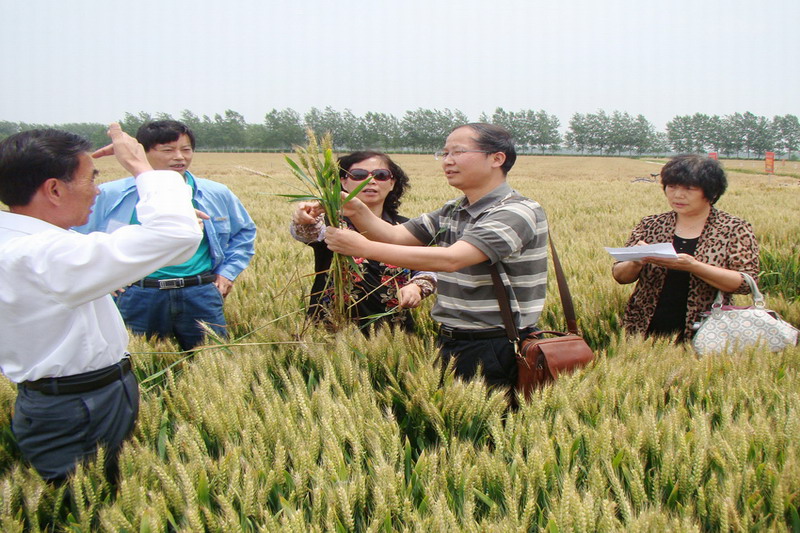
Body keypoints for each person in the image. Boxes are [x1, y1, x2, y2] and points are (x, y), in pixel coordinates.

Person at [0, 124, 203, 482]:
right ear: (54, 189)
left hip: (77, 398)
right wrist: (141, 167)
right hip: (77, 406)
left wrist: (171, 224)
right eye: (90, 179)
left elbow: (154, 243)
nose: (97, 190)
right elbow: (175, 236)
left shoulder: (25, 243)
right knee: (88, 502)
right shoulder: (42, 254)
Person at [324, 124, 548, 391]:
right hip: (452, 340)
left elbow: (451, 259)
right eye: (444, 153)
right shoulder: (454, 209)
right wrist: (356, 209)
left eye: (458, 152)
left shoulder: (516, 212)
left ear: (497, 158)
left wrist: (363, 248)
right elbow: (394, 235)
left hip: (496, 343)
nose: (447, 161)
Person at [76, 120, 256, 351]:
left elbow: (244, 233)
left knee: (214, 358)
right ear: (142, 152)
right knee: (138, 361)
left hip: (200, 292)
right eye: (168, 150)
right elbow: (78, 237)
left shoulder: (216, 193)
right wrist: (103, 277)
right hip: (138, 293)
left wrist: (227, 273)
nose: (179, 157)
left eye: (186, 149)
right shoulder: (111, 194)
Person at [612, 154, 760, 341]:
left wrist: (693, 266)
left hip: (707, 329)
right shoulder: (651, 224)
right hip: (644, 325)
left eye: (689, 188)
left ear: (712, 192)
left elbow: (745, 283)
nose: (678, 195)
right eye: (672, 186)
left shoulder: (734, 228)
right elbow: (620, 276)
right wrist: (635, 261)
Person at [291, 151, 436, 333]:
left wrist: (417, 287)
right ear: (344, 182)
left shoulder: (406, 228)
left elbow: (427, 266)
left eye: (380, 175)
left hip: (393, 330)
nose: (371, 181)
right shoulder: (331, 223)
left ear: (392, 183)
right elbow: (304, 232)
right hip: (331, 328)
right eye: (359, 175)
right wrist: (303, 218)